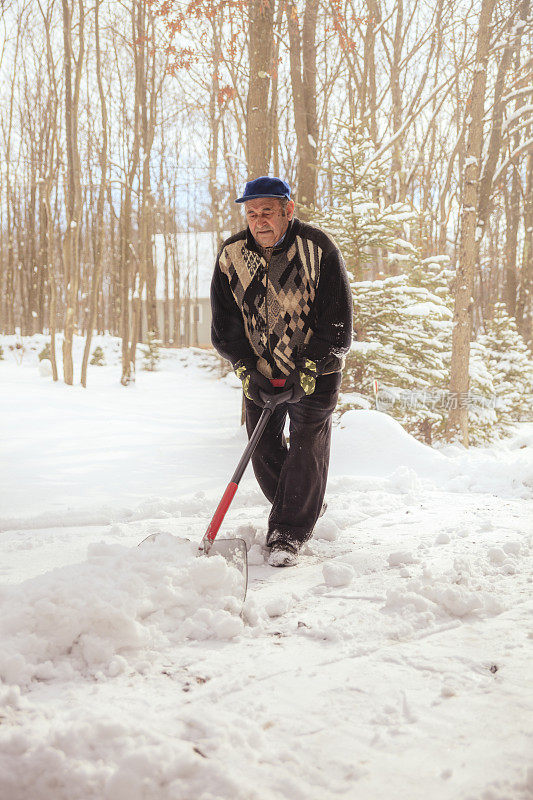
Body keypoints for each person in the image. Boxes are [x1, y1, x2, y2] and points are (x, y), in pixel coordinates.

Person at [210, 176, 352, 567]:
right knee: (264, 450)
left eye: (268, 212)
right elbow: (225, 325)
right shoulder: (232, 254)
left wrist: (307, 369)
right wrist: (244, 367)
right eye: (251, 213)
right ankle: (304, 504)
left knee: (307, 446)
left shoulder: (317, 248)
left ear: (288, 210)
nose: (259, 221)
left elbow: (337, 323)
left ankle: (287, 534)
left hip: (315, 372)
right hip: (261, 371)